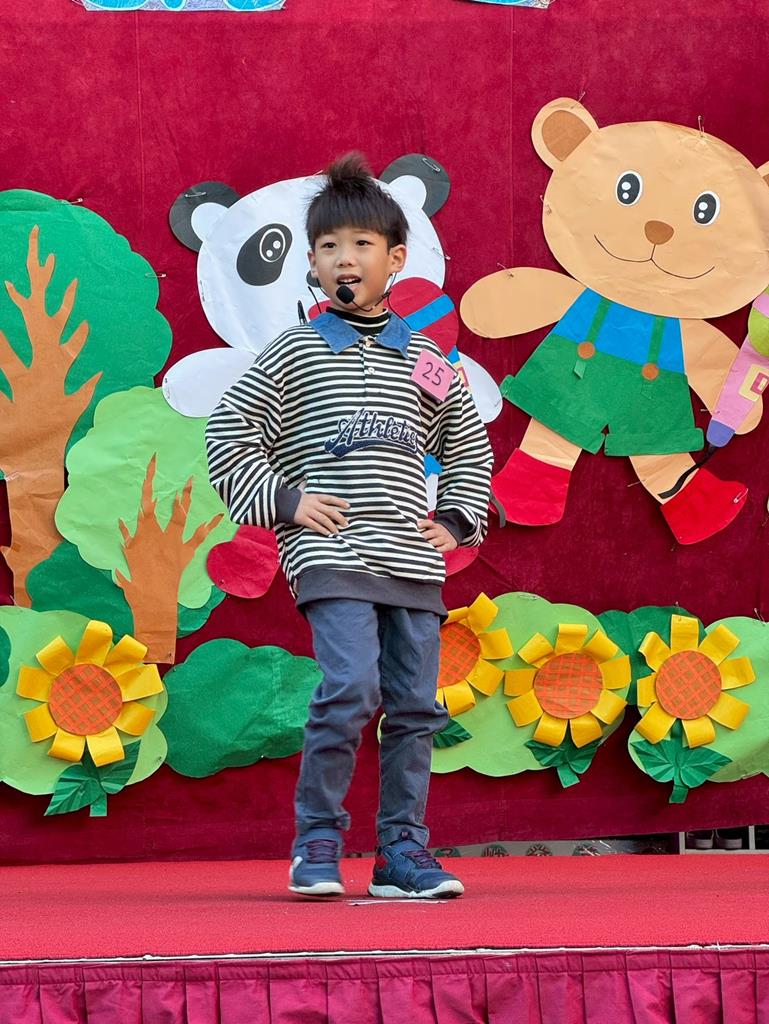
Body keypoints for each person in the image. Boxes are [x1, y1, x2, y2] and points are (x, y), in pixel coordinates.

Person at [205, 152, 493, 898]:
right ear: (312, 262)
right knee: (350, 686)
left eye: (362, 244)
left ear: (395, 259)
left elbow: (467, 442)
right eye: (329, 246)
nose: (344, 258)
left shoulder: (426, 359)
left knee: (416, 707)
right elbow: (229, 430)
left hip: (411, 561)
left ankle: (401, 855)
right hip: (331, 554)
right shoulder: (294, 351)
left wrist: (457, 517)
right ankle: (317, 844)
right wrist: (284, 501)